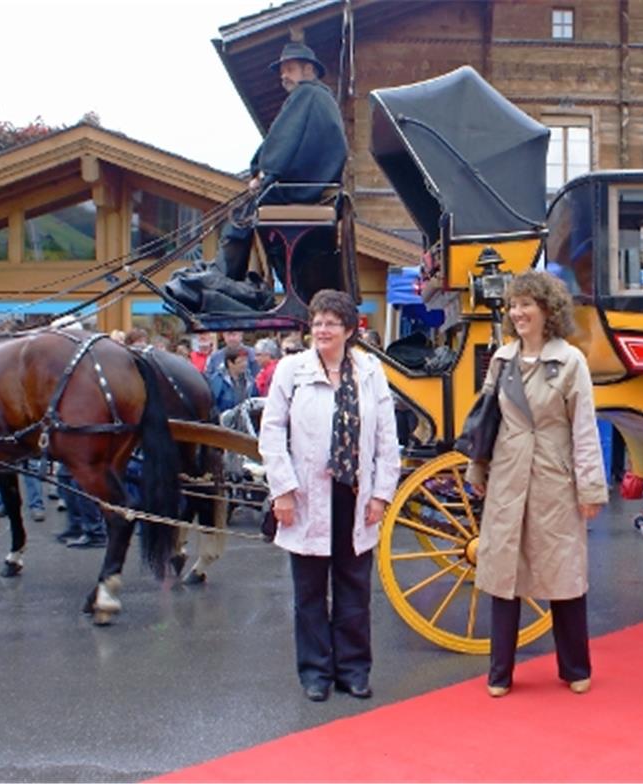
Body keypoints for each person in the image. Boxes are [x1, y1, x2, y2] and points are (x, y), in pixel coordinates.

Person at [465, 271, 608, 698]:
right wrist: (477, 468)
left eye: (527, 304)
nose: (518, 312)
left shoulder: (571, 362)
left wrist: (590, 489)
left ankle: (575, 667)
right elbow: (486, 420)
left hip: (553, 476)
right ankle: (500, 672)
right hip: (508, 474)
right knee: (503, 571)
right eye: (514, 305)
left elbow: (584, 429)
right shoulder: (501, 360)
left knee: (563, 573)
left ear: (548, 310)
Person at [258, 289, 400, 702]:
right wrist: (282, 491)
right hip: (305, 496)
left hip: (355, 494)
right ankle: (315, 673)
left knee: (354, 589)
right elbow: (271, 432)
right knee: (309, 593)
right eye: (317, 322)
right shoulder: (292, 370)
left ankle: (354, 671)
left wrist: (382, 495)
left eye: (331, 323)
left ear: (349, 330)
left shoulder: (370, 371)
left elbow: (387, 439)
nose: (321, 329)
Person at [214, 42, 348, 281]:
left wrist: (265, 174)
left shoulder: (306, 93)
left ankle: (223, 278)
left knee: (241, 216)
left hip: (300, 191)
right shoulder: (323, 100)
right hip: (317, 188)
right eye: (282, 70)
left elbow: (283, 140)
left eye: (290, 69)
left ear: (308, 70)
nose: (283, 76)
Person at [209, 344, 258, 416]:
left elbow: (255, 400)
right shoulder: (217, 381)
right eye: (240, 362)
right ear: (230, 363)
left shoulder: (250, 380)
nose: (244, 364)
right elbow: (212, 406)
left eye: (245, 361)